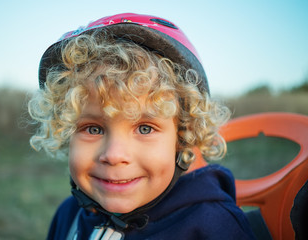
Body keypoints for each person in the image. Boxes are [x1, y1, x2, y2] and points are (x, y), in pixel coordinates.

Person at [28, 13, 256, 240]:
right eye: (93, 129)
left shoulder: (214, 227)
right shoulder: (69, 216)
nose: (114, 155)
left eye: (145, 128)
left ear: (183, 138)